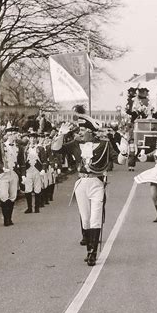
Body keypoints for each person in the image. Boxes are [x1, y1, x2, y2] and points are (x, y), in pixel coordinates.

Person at [51, 105, 127, 266]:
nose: (78, 134)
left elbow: (119, 161)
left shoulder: (104, 145)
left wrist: (124, 152)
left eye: (81, 131)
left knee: (95, 218)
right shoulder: (74, 145)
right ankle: (88, 247)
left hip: (97, 182)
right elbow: (55, 149)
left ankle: (92, 253)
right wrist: (60, 134)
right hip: (81, 183)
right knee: (85, 219)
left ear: (91, 132)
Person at [0, 127, 21, 226]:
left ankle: (9, 218)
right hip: (3, 174)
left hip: (14, 173)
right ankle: (5, 219)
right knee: (4, 195)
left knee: (13, 196)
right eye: (12, 134)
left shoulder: (19, 147)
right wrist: (2, 168)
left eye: (15, 134)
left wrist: (22, 175)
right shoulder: (0, 147)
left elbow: (21, 162)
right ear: (8, 135)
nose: (14, 136)